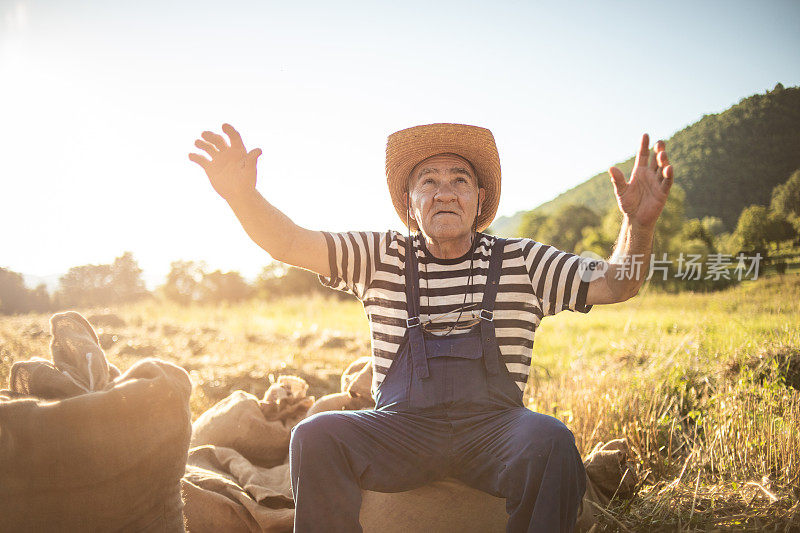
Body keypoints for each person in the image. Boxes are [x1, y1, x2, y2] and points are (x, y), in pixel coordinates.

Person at [188, 122, 674, 533]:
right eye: (430, 181)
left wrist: (639, 225)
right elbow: (289, 242)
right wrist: (243, 196)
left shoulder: (522, 260)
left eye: (460, 180)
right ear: (409, 200)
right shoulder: (381, 257)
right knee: (315, 435)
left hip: (495, 432)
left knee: (550, 439)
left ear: (479, 198)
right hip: (399, 432)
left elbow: (615, 284)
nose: (445, 191)